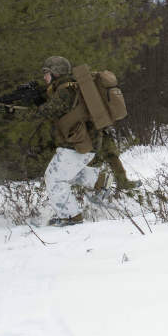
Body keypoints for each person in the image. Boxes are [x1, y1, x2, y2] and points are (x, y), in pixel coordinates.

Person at [32, 56, 133, 227]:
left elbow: (48, 112)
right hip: (84, 141)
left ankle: (71, 217)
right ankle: (100, 180)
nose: (44, 77)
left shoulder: (64, 90)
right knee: (69, 173)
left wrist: (33, 106)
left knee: (54, 178)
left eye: (47, 73)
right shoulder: (71, 87)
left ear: (56, 73)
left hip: (77, 143)